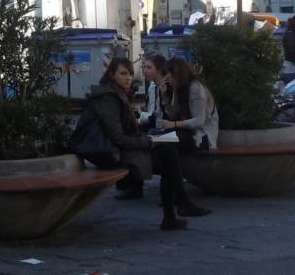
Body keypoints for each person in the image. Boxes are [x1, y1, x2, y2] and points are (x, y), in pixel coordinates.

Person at [72, 58, 209, 231]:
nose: (128, 78)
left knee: (168, 150)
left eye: (130, 73)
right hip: (110, 152)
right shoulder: (108, 98)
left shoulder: (118, 94)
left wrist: (146, 138)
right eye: (123, 73)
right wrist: (146, 141)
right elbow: (118, 138)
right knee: (168, 154)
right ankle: (177, 208)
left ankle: (175, 211)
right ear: (112, 75)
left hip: (119, 147)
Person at [160, 57, 219, 152]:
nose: (167, 79)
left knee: (167, 144)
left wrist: (174, 124)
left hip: (202, 135)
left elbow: (199, 120)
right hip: (187, 131)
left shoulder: (195, 88)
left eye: (169, 75)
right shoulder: (178, 88)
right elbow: (173, 114)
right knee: (157, 136)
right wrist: (165, 97)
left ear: (177, 75)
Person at [139, 55, 170, 128]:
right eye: (144, 67)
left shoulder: (166, 86)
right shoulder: (153, 85)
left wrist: (141, 118)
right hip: (155, 123)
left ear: (159, 69)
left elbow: (162, 114)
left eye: (149, 67)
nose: (145, 71)